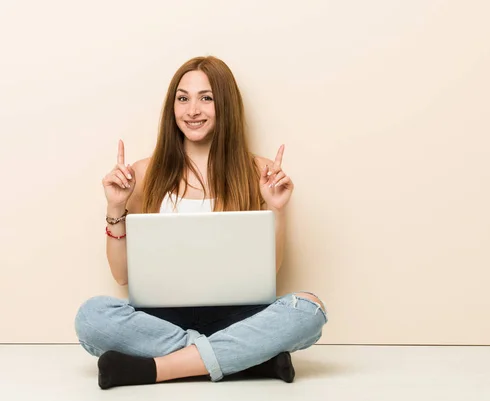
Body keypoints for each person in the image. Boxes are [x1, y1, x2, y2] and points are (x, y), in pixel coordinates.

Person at [74, 56, 328, 389]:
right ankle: (248, 360)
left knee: (309, 310)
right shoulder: (143, 173)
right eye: (183, 98)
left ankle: (158, 369)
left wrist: (276, 209)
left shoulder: (259, 172)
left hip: (238, 315)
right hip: (163, 318)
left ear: (225, 105)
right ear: (173, 107)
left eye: (206, 98)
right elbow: (121, 275)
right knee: (92, 317)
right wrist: (115, 205)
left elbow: (272, 269)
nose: (193, 110)